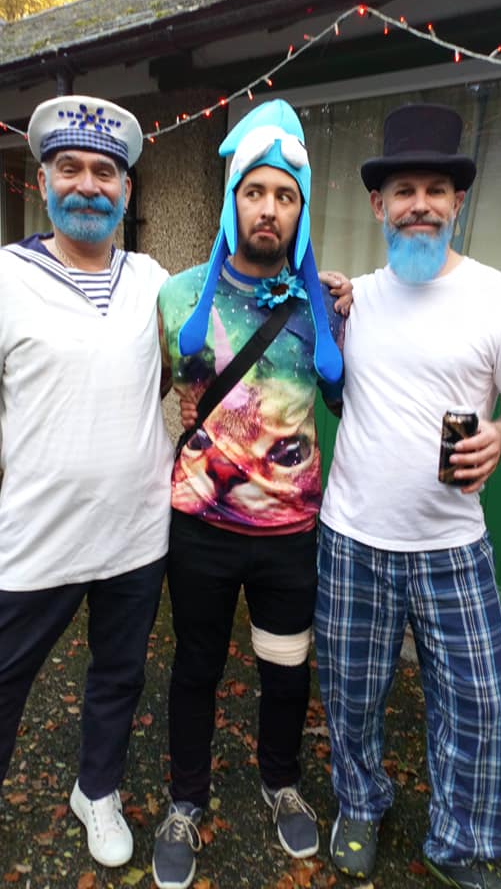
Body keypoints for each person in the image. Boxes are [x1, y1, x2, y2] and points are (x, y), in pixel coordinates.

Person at [314, 103, 501, 889]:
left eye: (436, 190)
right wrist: (325, 309)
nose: (420, 205)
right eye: (404, 190)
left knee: (475, 702)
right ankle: (359, 803)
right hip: (352, 537)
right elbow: (325, 377)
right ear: (378, 205)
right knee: (351, 694)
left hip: (453, 543)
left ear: (458, 201)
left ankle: (460, 845)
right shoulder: (355, 299)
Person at [153, 99, 346, 889]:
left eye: (285, 195)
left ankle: (280, 780)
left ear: (301, 211)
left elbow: (349, 400)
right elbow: (148, 393)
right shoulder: (176, 297)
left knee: (285, 669)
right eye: (255, 192)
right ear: (234, 200)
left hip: (289, 536)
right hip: (200, 528)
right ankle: (186, 801)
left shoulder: (322, 305)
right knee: (195, 666)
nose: (269, 208)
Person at [0, 95, 174, 868]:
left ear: (126, 191)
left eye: (105, 172)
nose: (88, 185)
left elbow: (175, 367)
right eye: (69, 168)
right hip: (34, 536)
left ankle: (95, 790)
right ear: (42, 182)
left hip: (136, 533)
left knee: (119, 675)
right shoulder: (7, 277)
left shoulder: (151, 280)